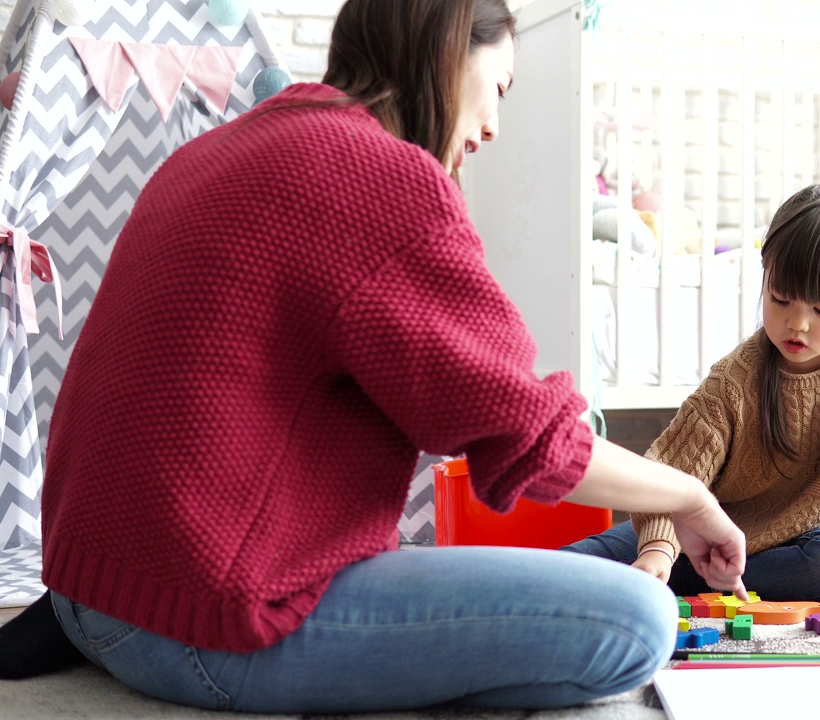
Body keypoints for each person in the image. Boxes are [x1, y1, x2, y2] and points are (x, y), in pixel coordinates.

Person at [0, 0, 748, 713]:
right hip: (202, 625)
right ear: (449, 50)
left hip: (85, 593)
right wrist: (689, 495)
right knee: (637, 620)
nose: (492, 126)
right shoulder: (379, 175)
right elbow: (533, 436)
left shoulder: (219, 147)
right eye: (498, 88)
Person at [565, 172, 820, 606]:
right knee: (564, 568)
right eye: (780, 298)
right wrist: (658, 548)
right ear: (765, 276)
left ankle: (703, 582)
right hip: (697, 533)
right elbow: (670, 474)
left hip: (795, 550)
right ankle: (693, 576)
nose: (798, 323)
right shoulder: (735, 380)